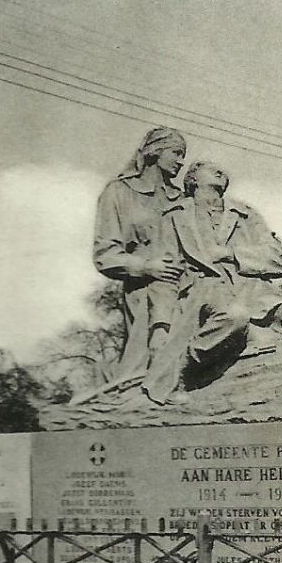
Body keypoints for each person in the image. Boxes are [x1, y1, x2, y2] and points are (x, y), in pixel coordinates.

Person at [143, 162, 282, 403]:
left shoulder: (245, 215)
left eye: (221, 169)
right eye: (208, 168)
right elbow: (164, 274)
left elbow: (279, 259)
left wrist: (231, 253)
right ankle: (182, 371)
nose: (220, 170)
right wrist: (159, 325)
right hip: (202, 291)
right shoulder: (174, 216)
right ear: (193, 180)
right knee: (235, 316)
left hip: (252, 288)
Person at [92, 127, 188, 379]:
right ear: (155, 151)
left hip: (187, 288)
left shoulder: (182, 198)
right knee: (147, 365)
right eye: (176, 153)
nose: (181, 161)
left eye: (183, 155)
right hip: (142, 291)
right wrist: (146, 266)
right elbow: (105, 254)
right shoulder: (118, 192)